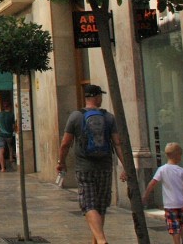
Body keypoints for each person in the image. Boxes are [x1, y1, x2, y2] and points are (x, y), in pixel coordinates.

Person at [56, 84, 128, 244]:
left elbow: (65, 143)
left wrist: (61, 162)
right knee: (101, 205)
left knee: (89, 205)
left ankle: (101, 241)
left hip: (84, 167)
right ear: (96, 97)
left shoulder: (75, 117)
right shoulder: (109, 117)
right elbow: (117, 143)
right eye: (100, 96)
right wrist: (125, 166)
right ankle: (97, 241)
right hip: (105, 167)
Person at [142, 142, 183, 244]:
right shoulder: (182, 171)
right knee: (180, 222)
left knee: (174, 226)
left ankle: (177, 242)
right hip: (181, 203)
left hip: (170, 204)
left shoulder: (162, 170)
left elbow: (152, 183)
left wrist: (145, 196)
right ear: (177, 155)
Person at [0, 101, 17, 172]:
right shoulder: (11, 114)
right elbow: (13, 126)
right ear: (10, 107)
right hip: (9, 134)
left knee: (1, 150)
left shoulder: (0, 114)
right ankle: (11, 158)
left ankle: (2, 168)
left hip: (1, 134)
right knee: (10, 146)